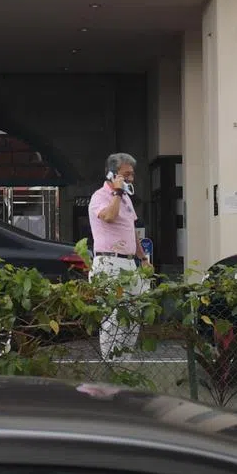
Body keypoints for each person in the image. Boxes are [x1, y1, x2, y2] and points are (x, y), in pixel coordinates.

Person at [88, 151, 146, 358]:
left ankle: (125, 362)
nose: (131, 178)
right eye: (126, 174)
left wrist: (143, 258)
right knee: (113, 316)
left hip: (130, 264)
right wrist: (117, 193)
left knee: (133, 315)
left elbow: (131, 230)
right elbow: (109, 217)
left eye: (132, 174)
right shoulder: (100, 196)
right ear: (112, 174)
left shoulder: (127, 199)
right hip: (109, 262)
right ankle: (111, 364)